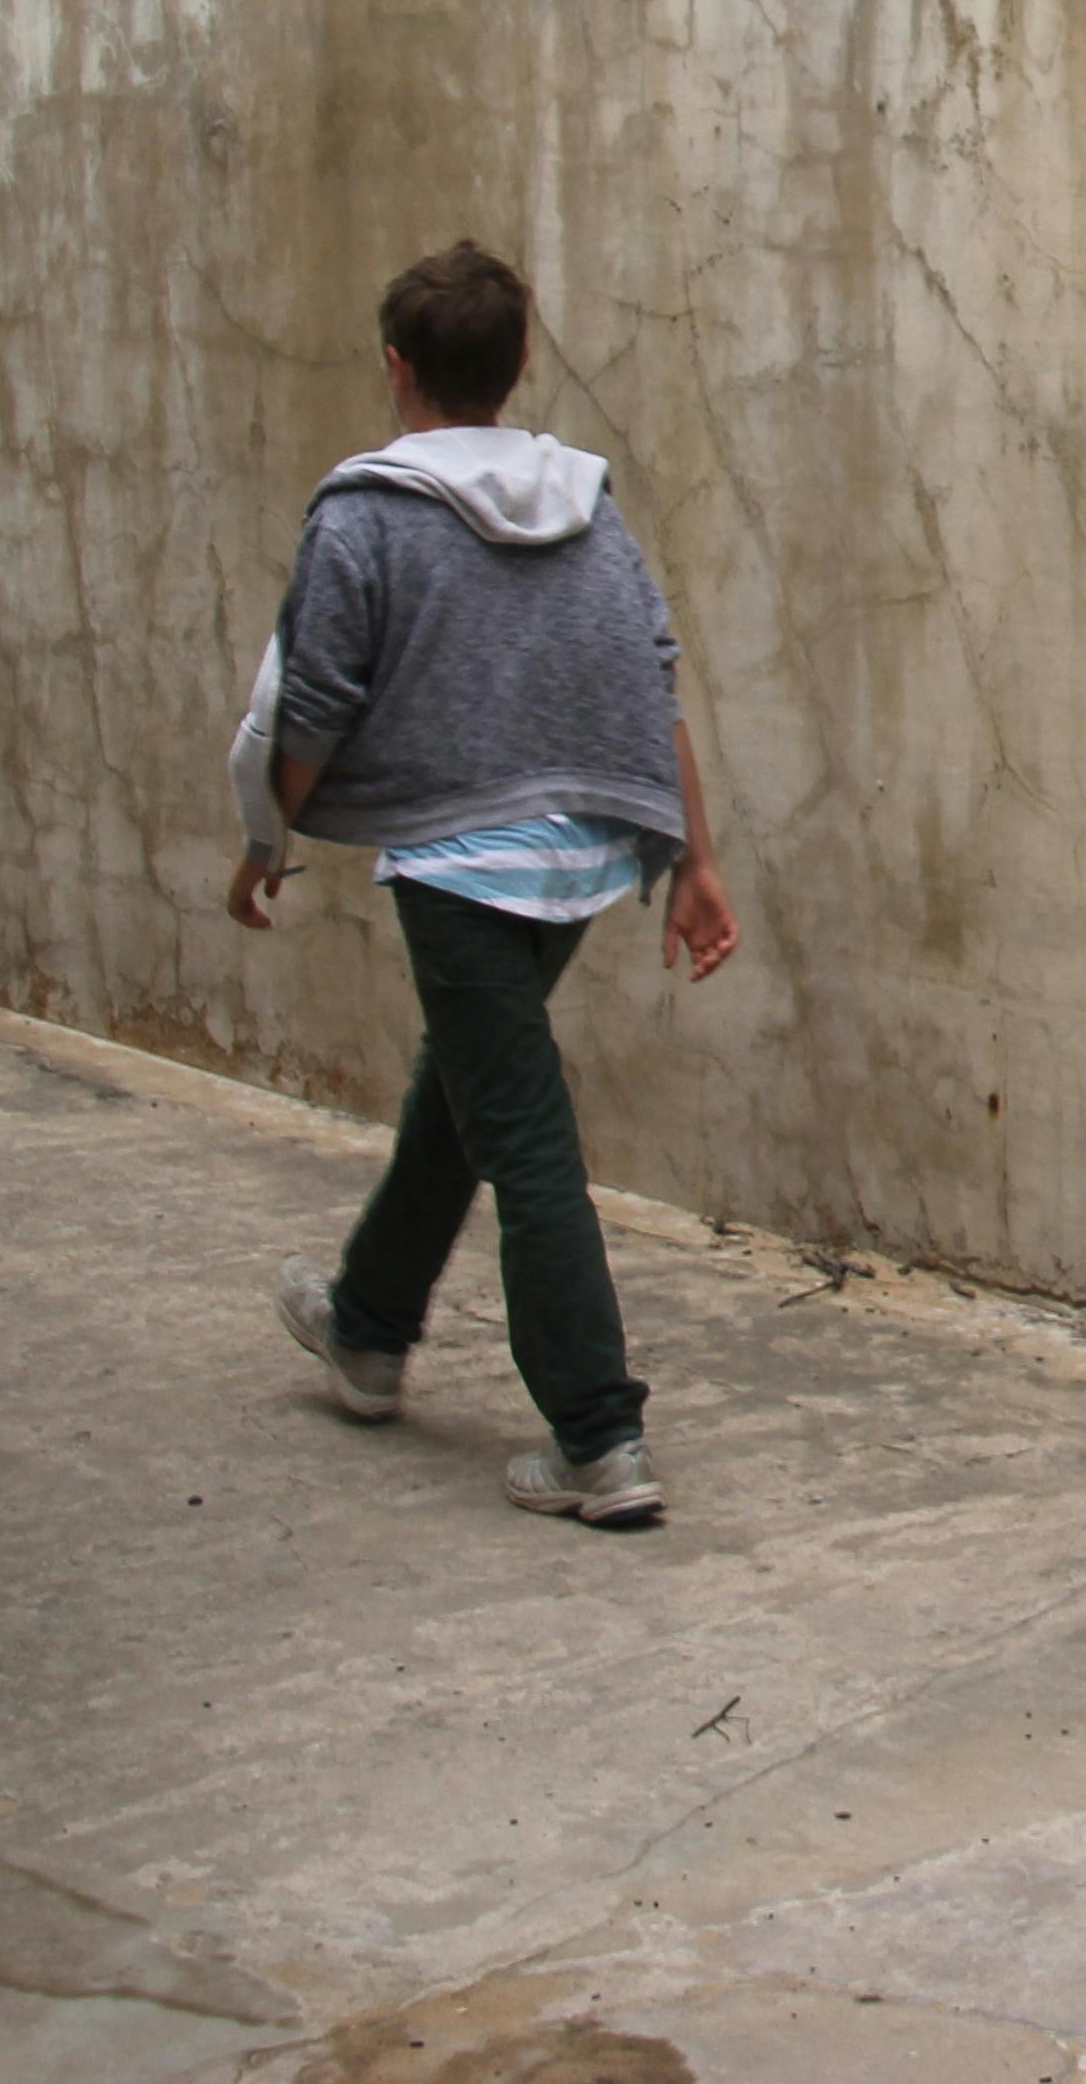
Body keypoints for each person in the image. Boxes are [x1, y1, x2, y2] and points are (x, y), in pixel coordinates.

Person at [225, 242, 740, 1528]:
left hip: (459, 867)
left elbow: (314, 701)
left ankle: (597, 1438)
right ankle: (367, 1329)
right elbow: (650, 676)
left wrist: (265, 839)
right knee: (467, 1094)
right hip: (577, 858)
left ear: (397, 369)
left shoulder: (363, 515)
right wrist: (694, 857)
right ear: (517, 370)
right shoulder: (587, 503)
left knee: (522, 1135)